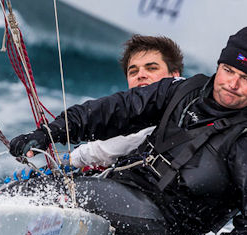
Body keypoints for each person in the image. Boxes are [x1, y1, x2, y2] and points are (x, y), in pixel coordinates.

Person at [8, 27, 247, 235]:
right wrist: (49, 133)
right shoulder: (185, 91)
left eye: (246, 79)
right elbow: (115, 110)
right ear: (219, 66)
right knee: (22, 191)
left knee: (62, 193)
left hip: (157, 232)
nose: (232, 84)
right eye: (229, 71)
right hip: (120, 196)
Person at [68, 35, 183, 169]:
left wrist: (70, 159)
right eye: (133, 72)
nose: (141, 75)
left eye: (151, 68)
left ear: (175, 75)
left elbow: (126, 142)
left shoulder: (182, 107)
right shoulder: (124, 115)